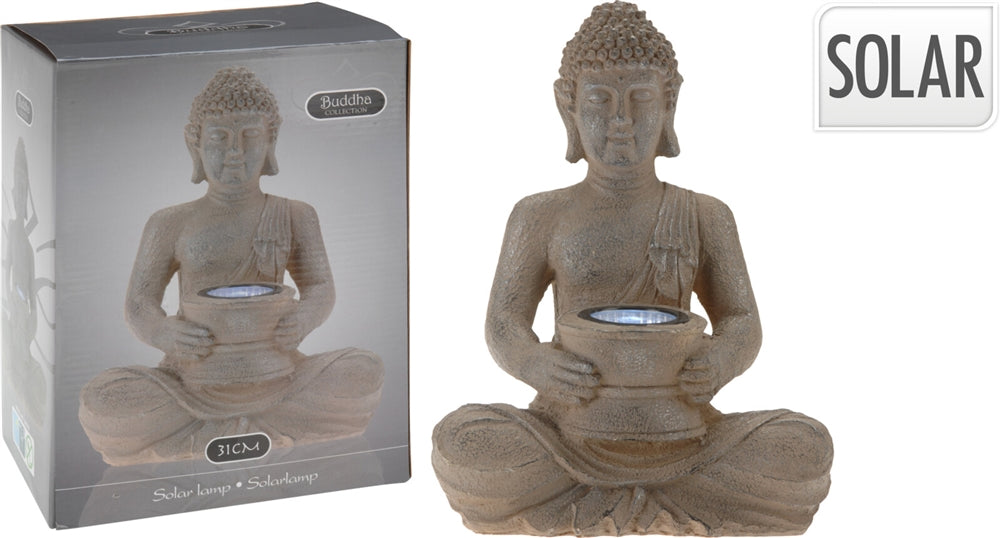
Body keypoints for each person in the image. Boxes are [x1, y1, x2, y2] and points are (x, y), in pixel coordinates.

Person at [432, 3, 832, 535]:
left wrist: (720, 361)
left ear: (670, 105)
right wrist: (535, 364)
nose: (621, 121)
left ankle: (596, 509)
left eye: (640, 100)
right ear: (568, 108)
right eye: (600, 101)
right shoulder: (539, 214)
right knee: (464, 442)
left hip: (682, 431)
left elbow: (741, 320)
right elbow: (504, 321)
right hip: (568, 427)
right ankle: (668, 509)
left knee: (803, 447)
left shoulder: (705, 214)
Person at [79, 67, 383, 466]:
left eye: (250, 137)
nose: (235, 151)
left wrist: (304, 318)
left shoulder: (295, 214)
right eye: (219, 138)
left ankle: (210, 435)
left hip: (279, 373)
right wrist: (164, 332)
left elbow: (320, 286)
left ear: (271, 142)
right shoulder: (169, 222)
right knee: (104, 402)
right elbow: (139, 303)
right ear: (195, 145)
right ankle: (259, 431)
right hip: (191, 379)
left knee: (364, 371)